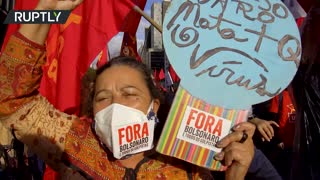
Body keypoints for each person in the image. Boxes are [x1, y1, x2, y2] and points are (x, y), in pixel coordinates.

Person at [0, 0, 255, 179]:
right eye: (103, 97)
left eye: (130, 94)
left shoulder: (187, 165)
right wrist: (45, 10)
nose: (115, 104)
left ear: (154, 104)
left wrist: (235, 175)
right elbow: (12, 100)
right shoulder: (75, 143)